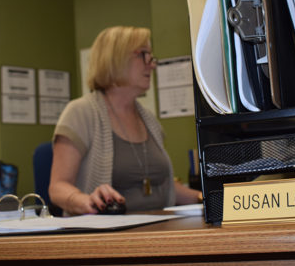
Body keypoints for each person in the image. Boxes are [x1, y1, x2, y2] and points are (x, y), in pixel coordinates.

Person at [49, 26, 202, 215]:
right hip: (107, 236)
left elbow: (164, 187)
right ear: (116, 58)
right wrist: (85, 201)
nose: (152, 64)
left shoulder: (149, 120)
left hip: (159, 228)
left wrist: (205, 198)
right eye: (143, 54)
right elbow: (57, 187)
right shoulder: (80, 113)